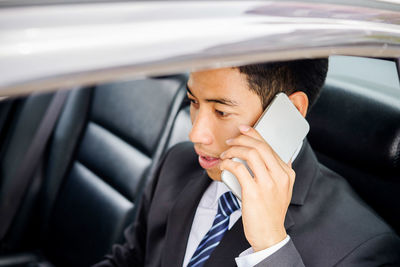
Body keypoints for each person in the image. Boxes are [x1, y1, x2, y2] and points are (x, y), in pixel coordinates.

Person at [94, 59, 400, 267]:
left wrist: (271, 247)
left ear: (290, 110)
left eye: (221, 112)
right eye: (194, 102)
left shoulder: (361, 247)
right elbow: (129, 260)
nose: (195, 134)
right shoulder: (177, 164)